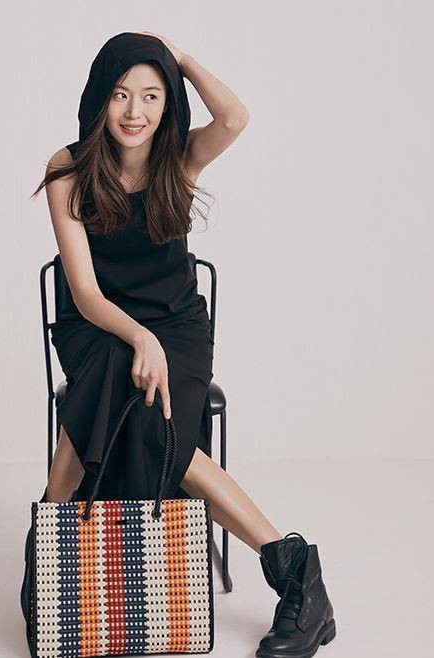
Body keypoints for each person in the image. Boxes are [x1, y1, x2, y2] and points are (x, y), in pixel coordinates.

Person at [31, 31, 336, 658]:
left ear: (169, 100)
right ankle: (294, 569)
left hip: (177, 327)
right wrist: (137, 336)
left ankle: (51, 533)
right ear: (99, 97)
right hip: (98, 326)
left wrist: (184, 63)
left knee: (143, 407)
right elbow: (84, 292)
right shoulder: (68, 169)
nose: (135, 111)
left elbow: (235, 117)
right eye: (121, 94)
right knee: (117, 369)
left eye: (151, 95)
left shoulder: (181, 159)